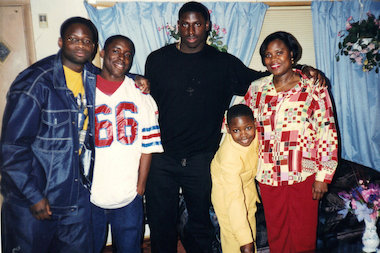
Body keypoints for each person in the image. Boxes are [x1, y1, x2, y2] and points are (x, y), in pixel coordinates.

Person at [144, 2, 325, 252]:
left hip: (201, 159)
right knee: (160, 223)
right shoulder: (157, 60)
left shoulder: (224, 63)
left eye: (197, 24)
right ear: (178, 26)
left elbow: (265, 77)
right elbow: (142, 95)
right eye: (185, 24)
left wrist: (301, 69)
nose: (191, 30)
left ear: (207, 26)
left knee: (200, 224)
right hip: (162, 158)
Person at [0, 17, 99, 252]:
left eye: (87, 41)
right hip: (36, 198)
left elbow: (120, 76)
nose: (80, 45)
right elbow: (12, 147)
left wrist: (139, 80)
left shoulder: (95, 78)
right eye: (73, 39)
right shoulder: (35, 83)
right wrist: (32, 195)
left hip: (76, 195)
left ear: (94, 47)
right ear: (60, 42)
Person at [241, 31, 338, 253]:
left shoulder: (313, 87)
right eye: (267, 55)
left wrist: (323, 176)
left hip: (303, 172)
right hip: (268, 174)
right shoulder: (256, 89)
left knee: (303, 237)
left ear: (292, 55)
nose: (273, 59)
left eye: (279, 53)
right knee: (278, 236)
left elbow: (327, 131)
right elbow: (239, 125)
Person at [90, 35, 163, 253]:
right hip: (91, 192)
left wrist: (140, 187)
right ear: (102, 52)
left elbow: (148, 147)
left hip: (128, 191)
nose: (122, 57)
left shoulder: (140, 94)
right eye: (116, 51)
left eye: (127, 54)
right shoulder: (85, 88)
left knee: (130, 248)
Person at [211, 104, 259, 253]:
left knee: (250, 232)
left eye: (248, 128)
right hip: (227, 195)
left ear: (255, 124)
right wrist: (245, 242)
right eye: (236, 131)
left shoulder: (256, 135)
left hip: (247, 186)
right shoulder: (228, 157)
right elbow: (234, 199)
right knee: (235, 237)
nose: (244, 135)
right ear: (227, 128)